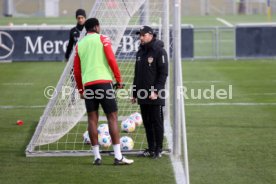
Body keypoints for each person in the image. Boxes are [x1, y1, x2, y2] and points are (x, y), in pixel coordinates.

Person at [73, 18, 134, 165]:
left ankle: (96, 157)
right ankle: (118, 157)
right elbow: (111, 59)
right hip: (104, 83)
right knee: (112, 117)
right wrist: (119, 79)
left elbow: (76, 70)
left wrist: (81, 89)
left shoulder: (80, 45)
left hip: (88, 85)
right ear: (96, 27)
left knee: (92, 119)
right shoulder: (103, 39)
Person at [132, 26, 168, 159]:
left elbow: (163, 74)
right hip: (142, 94)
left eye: (143, 35)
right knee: (146, 122)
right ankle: (151, 148)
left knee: (156, 121)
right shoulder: (140, 52)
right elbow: (137, 75)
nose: (140, 37)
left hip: (155, 95)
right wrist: (134, 92)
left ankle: (159, 149)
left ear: (150, 35)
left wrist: (157, 91)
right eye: (139, 35)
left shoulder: (160, 51)